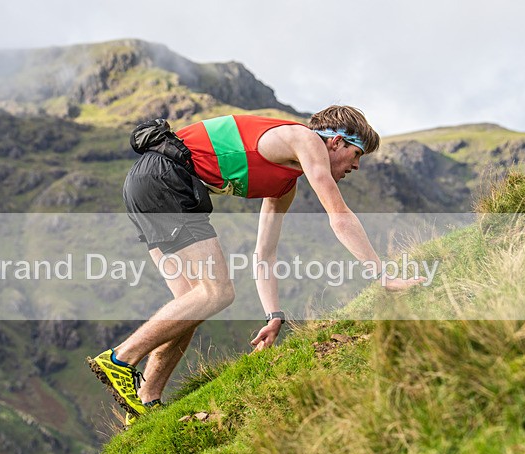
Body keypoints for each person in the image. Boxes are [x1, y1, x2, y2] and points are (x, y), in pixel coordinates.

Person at [87, 106, 425, 425]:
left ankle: (147, 400)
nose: (356, 167)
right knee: (217, 293)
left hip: (147, 183)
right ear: (337, 141)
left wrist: (273, 315)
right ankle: (120, 359)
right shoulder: (303, 139)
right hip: (166, 180)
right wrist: (382, 276)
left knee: (190, 305)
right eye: (357, 155)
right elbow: (339, 216)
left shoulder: (283, 185)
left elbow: (264, 255)